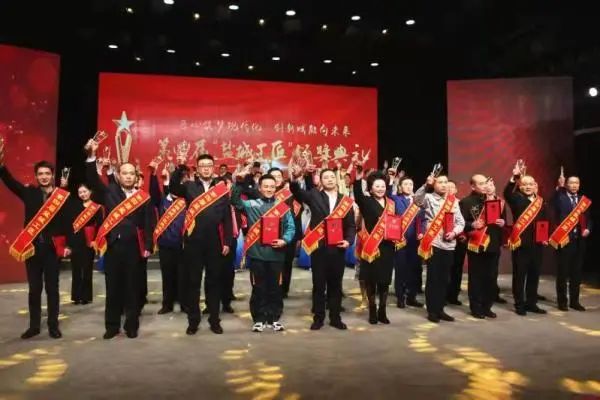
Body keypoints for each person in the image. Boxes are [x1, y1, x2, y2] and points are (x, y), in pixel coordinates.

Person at [85, 139, 155, 339]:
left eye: (132, 173)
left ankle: (131, 326)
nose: (128, 176)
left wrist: (148, 245)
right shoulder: (110, 191)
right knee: (113, 288)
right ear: (118, 175)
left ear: (136, 176)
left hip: (134, 248)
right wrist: (91, 156)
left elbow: (148, 223)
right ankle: (112, 326)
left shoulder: (144, 197)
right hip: (113, 247)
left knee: (133, 288)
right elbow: (92, 180)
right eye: (125, 173)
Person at [0, 145, 71, 339]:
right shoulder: (29, 192)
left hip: (52, 249)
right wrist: (1, 165)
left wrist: (68, 246)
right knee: (34, 290)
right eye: (40, 174)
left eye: (47, 173)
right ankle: (34, 326)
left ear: (52, 175)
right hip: (31, 249)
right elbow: (10, 182)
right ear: (36, 176)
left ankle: (53, 326)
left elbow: (68, 223)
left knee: (52, 289)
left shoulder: (61, 197)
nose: (44, 177)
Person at [169, 154, 233, 335]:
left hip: (215, 242)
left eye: (209, 165)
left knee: (214, 282)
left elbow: (227, 217)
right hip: (193, 242)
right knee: (193, 283)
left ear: (213, 168)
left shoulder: (221, 188)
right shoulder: (189, 186)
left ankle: (214, 320)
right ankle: (193, 321)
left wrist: (227, 241)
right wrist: (180, 168)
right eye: (202, 165)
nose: (206, 168)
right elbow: (173, 187)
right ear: (197, 169)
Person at [290, 167, 356, 330]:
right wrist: (295, 178)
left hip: (338, 248)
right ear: (320, 181)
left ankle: (335, 318)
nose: (329, 179)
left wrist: (348, 241)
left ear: (336, 179)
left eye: (332, 177)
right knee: (319, 285)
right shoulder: (314, 195)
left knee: (336, 285)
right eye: (325, 177)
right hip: (319, 248)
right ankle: (318, 318)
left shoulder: (345, 201)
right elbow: (296, 192)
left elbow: (350, 225)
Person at [231, 170, 295, 332]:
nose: (269, 189)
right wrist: (239, 181)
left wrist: (284, 240)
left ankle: (274, 317)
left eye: (272, 186)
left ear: (276, 187)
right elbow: (235, 200)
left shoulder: (283, 207)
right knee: (258, 287)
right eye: (265, 186)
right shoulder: (251, 205)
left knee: (275, 288)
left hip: (276, 255)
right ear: (259, 188)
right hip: (257, 254)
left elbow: (291, 227)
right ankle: (259, 318)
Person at [415, 174, 465, 323]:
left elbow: (460, 222)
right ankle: (432, 310)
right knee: (433, 278)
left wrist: (454, 232)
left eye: (445, 182)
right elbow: (417, 200)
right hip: (434, 242)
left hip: (449, 244)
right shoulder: (428, 198)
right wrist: (426, 185)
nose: (443, 185)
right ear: (434, 185)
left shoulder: (453, 201)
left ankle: (440, 309)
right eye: (440, 182)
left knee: (445, 279)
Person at [503, 161, 549, 316]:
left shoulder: (540, 201)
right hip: (521, 243)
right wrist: (514, 177)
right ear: (520, 186)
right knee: (520, 275)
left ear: (535, 185)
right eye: (524, 184)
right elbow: (507, 193)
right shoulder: (516, 198)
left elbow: (544, 221)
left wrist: (545, 236)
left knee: (534, 275)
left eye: (531, 184)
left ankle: (531, 303)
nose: (528, 186)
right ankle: (519, 305)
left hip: (537, 243)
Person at [353, 169, 396, 324]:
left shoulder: (390, 203)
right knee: (370, 280)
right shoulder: (366, 201)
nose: (380, 189)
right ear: (371, 189)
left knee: (384, 281)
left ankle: (382, 311)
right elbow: (357, 194)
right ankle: (372, 310)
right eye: (377, 186)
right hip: (371, 246)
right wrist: (358, 178)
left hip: (387, 246)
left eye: (383, 186)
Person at [460, 175, 506, 319]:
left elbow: (503, 221)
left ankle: (487, 307)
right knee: (476, 278)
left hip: (493, 244)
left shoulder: (497, 201)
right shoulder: (466, 202)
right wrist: (471, 224)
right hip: (476, 244)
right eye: (480, 184)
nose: (485, 186)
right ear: (473, 186)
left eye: (486, 183)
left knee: (491, 277)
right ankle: (476, 307)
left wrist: (503, 223)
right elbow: (460, 223)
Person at [149, 162, 188, 314]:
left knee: (183, 276)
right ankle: (167, 304)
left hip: (182, 245)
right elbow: (153, 192)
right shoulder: (162, 200)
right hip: (165, 245)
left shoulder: (186, 201)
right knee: (167, 275)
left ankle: (184, 303)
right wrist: (153, 174)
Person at [550, 173, 592, 311]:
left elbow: (589, 219)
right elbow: (553, 201)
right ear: (567, 184)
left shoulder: (583, 201)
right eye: (571, 183)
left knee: (576, 273)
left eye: (576, 183)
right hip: (564, 240)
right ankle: (562, 302)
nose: (574, 185)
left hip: (579, 241)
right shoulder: (560, 198)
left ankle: (575, 301)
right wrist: (559, 187)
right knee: (563, 273)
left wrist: (588, 229)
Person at [389, 176, 426, 309]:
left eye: (411, 184)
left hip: (415, 242)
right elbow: (387, 194)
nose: (409, 186)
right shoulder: (395, 199)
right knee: (401, 270)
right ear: (400, 187)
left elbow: (423, 219)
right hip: (400, 241)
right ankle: (400, 297)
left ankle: (412, 297)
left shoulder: (418, 202)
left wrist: (422, 231)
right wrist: (391, 180)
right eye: (405, 184)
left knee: (415, 270)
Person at [67, 183, 103, 305]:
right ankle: (76, 296)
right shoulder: (75, 206)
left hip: (89, 241)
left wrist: (95, 240)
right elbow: (71, 224)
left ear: (90, 192)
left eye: (85, 191)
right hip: (76, 240)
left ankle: (86, 297)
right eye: (80, 192)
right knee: (76, 269)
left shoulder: (97, 208)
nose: (83, 194)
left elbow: (99, 225)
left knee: (87, 269)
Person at [484, 179, 508, 304]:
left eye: (491, 185)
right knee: (482, 270)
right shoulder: (479, 201)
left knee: (493, 269)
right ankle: (482, 294)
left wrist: (503, 222)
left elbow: (504, 221)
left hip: (495, 239)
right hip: (481, 238)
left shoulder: (501, 202)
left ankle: (493, 294)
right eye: (486, 185)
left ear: (494, 187)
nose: (489, 187)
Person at [446, 179, 467, 306]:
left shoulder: (461, 203)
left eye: (452, 187)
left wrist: (461, 234)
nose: (449, 189)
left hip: (459, 240)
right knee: (445, 269)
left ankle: (453, 295)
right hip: (444, 240)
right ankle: (443, 295)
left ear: (456, 190)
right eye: (447, 187)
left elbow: (464, 222)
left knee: (457, 269)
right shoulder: (439, 203)